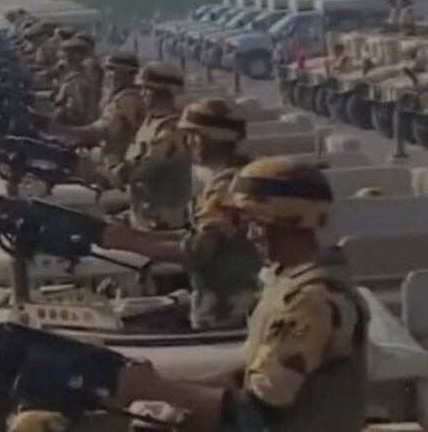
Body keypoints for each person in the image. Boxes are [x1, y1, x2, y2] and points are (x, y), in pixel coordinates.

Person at [109, 156, 369, 432]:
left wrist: (156, 388)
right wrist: (167, 391)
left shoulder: (311, 300)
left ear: (284, 222)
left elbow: (259, 412)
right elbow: (248, 377)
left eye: (256, 223)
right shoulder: (288, 280)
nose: (250, 235)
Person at [101, 98, 261, 330]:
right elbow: (193, 235)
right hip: (223, 304)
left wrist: (129, 242)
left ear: (214, 138)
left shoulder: (226, 187)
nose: (189, 142)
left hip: (227, 310)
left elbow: (196, 252)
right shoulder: (231, 179)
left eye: (195, 135)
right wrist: (136, 235)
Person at [103, 61, 191, 232]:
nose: (141, 94)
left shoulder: (172, 129)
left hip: (163, 221)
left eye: (147, 89)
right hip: (143, 212)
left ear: (164, 93)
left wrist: (105, 173)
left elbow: (141, 169)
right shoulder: (151, 122)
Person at [53, 52, 146, 166]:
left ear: (129, 74)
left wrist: (67, 131)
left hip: (117, 161)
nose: (110, 75)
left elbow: (103, 131)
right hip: (107, 153)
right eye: (108, 69)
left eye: (114, 70)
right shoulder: (118, 95)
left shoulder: (129, 99)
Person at [52, 38, 94, 128]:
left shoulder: (77, 80)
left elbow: (79, 110)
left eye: (64, 58)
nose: (61, 62)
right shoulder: (81, 74)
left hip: (74, 127)